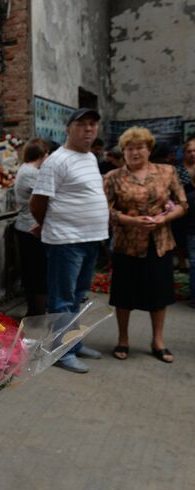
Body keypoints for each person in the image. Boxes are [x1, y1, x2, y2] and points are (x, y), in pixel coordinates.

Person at [30, 108, 108, 373]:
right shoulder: (57, 160)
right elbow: (38, 201)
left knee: (77, 297)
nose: (89, 129)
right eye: (82, 124)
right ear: (69, 129)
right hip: (66, 240)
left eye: (93, 125)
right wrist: (46, 225)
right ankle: (60, 353)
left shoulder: (90, 157)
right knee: (62, 299)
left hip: (91, 238)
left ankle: (73, 344)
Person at [103, 127, 187, 363]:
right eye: (129, 148)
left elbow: (182, 204)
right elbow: (105, 210)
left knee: (159, 293)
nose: (135, 152)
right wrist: (130, 220)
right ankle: (123, 339)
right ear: (123, 152)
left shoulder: (167, 172)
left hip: (158, 242)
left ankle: (157, 340)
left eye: (140, 147)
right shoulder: (112, 177)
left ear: (149, 149)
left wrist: (163, 219)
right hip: (126, 244)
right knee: (124, 294)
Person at [14, 138, 50, 316]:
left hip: (27, 227)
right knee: (36, 272)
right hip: (31, 228)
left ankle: (36, 311)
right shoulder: (31, 173)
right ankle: (36, 313)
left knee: (33, 271)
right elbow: (47, 196)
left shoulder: (27, 170)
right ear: (42, 155)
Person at [171, 137, 194, 272]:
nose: (192, 154)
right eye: (189, 151)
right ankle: (182, 263)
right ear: (184, 153)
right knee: (179, 236)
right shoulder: (176, 170)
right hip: (180, 209)